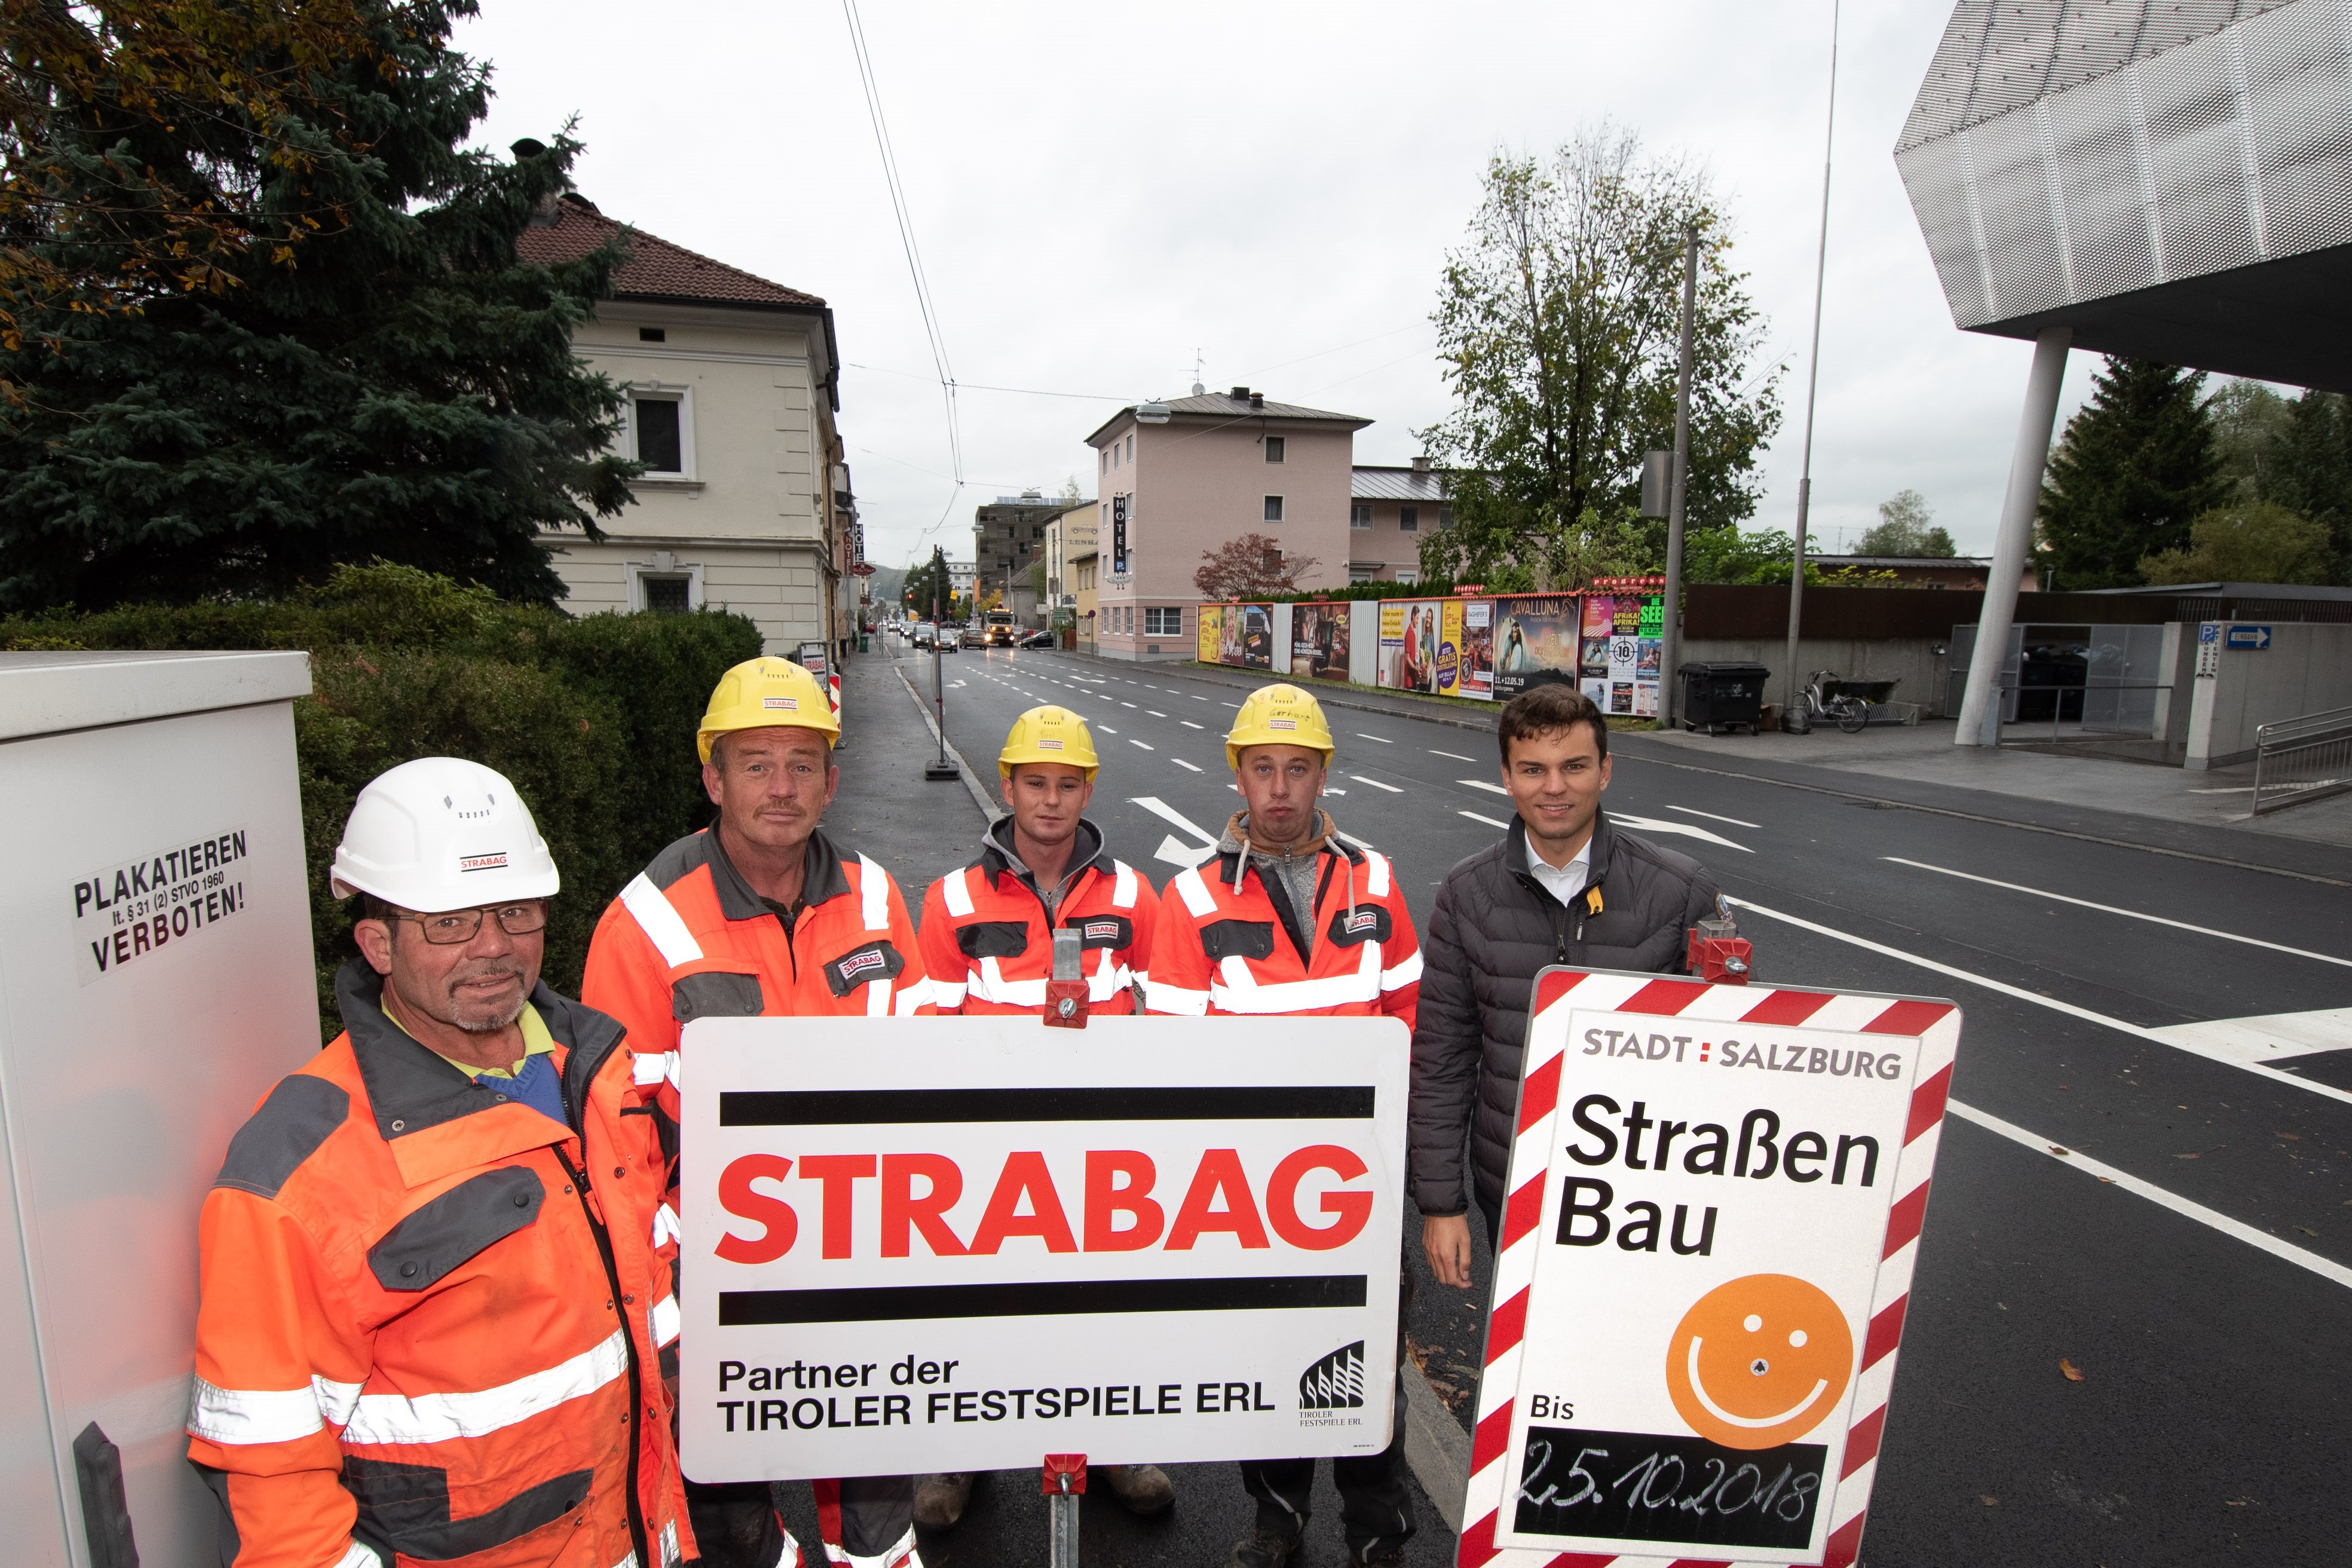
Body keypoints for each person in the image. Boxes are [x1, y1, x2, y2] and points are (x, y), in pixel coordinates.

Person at [188, 757, 695, 1568]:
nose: (493, 947)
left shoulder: (597, 1071)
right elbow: (275, 1485)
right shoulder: (298, 1177)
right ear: (377, 943)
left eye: (516, 911)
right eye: (451, 923)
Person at [582, 656, 932, 1568]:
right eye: (755, 763)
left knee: (871, 1473)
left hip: (864, 1252)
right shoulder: (646, 926)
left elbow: (931, 1075)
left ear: (832, 780)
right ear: (712, 778)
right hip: (714, 1273)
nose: (781, 786)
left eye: (803, 763)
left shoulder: (876, 895)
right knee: (732, 1511)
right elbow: (616, 1143)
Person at [1146, 682, 1420, 1568]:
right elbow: (1174, 1056)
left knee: (1368, 1355)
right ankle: (1277, 1521)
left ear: (1323, 774)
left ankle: (1379, 1526)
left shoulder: (1375, 881)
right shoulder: (1190, 900)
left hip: (1361, 1177)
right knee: (1271, 1359)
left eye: (1297, 769)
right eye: (1263, 768)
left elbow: (1414, 1023)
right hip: (1251, 1187)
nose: (1280, 789)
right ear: (1238, 775)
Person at [910, 704, 1172, 1528]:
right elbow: (930, 1035)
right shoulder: (953, 900)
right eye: (1035, 784)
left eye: (1067, 785)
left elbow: (1162, 1023)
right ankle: (964, 1454)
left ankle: (1108, 1445)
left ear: (1088, 789)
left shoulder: (1135, 895)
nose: (1051, 802)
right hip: (991, 1149)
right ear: (1009, 786)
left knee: (1100, 1301)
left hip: (1102, 1147)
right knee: (979, 1303)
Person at [1409, 684, 1723, 1282]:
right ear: (1507, 776)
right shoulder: (1466, 893)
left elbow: (1733, 1059)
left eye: (1574, 766)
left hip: (1650, 1197)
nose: (1554, 787)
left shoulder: (1683, 890)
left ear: (1605, 770)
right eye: (1534, 769)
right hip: (1514, 1188)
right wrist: (1441, 1202)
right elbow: (1443, 1060)